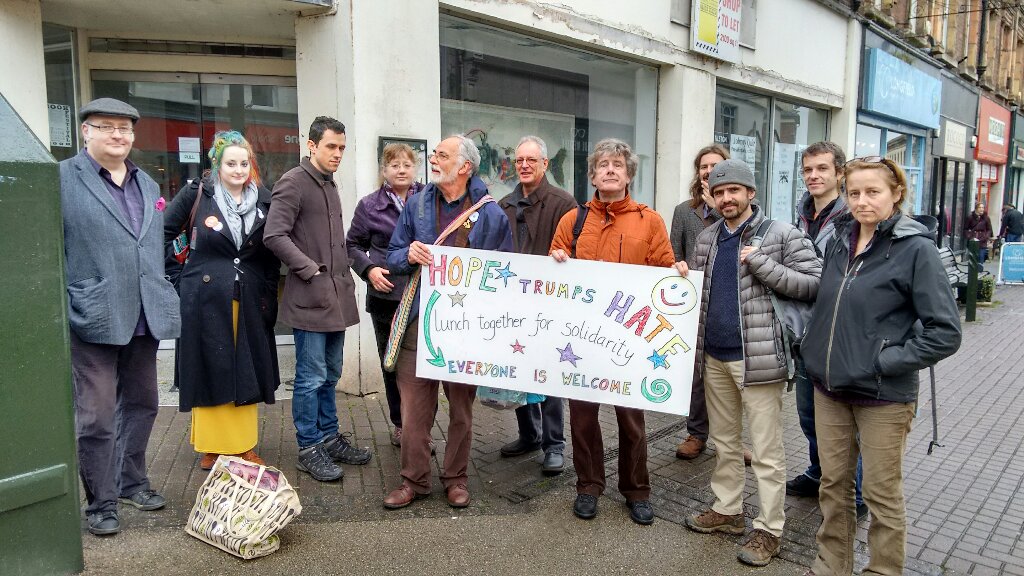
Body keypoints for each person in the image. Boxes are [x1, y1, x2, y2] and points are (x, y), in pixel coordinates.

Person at [801, 157, 961, 576]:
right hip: (830, 388)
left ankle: (882, 570)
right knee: (833, 487)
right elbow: (828, 304)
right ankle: (831, 565)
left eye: (873, 192)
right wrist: (811, 347)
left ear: (896, 194)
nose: (862, 201)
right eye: (854, 193)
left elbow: (945, 331)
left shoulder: (916, 249)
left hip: (883, 395)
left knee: (880, 493)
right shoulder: (838, 238)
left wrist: (886, 361)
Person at [679, 159, 821, 567]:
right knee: (724, 443)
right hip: (715, 357)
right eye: (720, 192)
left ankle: (769, 528)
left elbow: (814, 283)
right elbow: (698, 295)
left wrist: (761, 262)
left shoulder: (780, 234)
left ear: (751, 194)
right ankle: (726, 510)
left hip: (758, 360)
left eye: (734, 191)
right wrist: (682, 274)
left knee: (766, 450)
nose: (727, 198)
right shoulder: (706, 238)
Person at [60, 98, 181, 536]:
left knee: (145, 404)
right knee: (95, 415)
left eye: (125, 129)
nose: (117, 135)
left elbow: (149, 244)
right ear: (86, 132)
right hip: (92, 315)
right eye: (106, 127)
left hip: (143, 315)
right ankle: (101, 503)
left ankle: (132, 482)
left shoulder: (147, 183)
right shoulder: (62, 180)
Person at [382, 135, 513, 510]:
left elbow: (506, 272)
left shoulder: (490, 213)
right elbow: (392, 254)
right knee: (413, 412)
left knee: (461, 410)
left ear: (465, 166)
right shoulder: (418, 203)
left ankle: (456, 478)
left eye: (442, 155)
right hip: (418, 322)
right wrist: (407, 253)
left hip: (466, 329)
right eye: (435, 154)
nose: (434, 160)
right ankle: (413, 480)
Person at [550, 138, 675, 526]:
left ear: (629, 174)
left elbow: (663, 273)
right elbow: (553, 275)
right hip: (582, 340)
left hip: (628, 342)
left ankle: (636, 490)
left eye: (617, 165)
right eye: (602, 164)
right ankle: (588, 486)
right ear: (593, 174)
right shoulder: (574, 220)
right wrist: (555, 261)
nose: (609, 170)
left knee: (631, 418)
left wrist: (677, 276)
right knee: (583, 419)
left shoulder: (649, 220)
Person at [164, 131, 280, 471]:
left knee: (245, 367)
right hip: (204, 297)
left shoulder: (264, 201)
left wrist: (268, 288)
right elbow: (163, 233)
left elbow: (271, 251)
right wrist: (176, 278)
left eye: (244, 163)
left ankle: (243, 447)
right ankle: (212, 448)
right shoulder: (197, 194)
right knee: (210, 367)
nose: (238, 169)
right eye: (231, 163)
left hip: (248, 297)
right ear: (218, 165)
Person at [264, 116, 372, 482]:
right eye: (331, 146)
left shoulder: (328, 184)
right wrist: (309, 269)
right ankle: (308, 447)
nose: (338, 153)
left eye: (342, 147)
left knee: (331, 376)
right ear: (311, 146)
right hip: (310, 299)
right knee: (310, 379)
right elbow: (274, 235)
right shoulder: (293, 182)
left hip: (335, 300)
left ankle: (328, 437)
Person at [787, 142, 867, 521]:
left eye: (821, 169)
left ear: (839, 173)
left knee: (843, 421)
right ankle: (819, 473)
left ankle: (854, 493)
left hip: (840, 333)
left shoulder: (853, 218)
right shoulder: (802, 215)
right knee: (807, 413)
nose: (814, 176)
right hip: (807, 333)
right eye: (808, 170)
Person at [497, 136, 578, 475]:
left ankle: (554, 444)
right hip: (513, 303)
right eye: (519, 161)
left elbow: (578, 250)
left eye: (532, 160)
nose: (525, 165)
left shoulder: (564, 203)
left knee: (549, 372)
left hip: (550, 306)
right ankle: (528, 434)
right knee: (518, 367)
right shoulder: (503, 205)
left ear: (546, 164)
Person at [346, 143, 425, 448]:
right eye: (394, 165)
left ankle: (421, 427)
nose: (401, 169)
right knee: (390, 363)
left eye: (407, 164)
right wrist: (369, 271)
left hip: (422, 297)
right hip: (386, 297)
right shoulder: (369, 206)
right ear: (384, 170)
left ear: (415, 168)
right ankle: (401, 424)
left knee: (421, 366)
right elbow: (351, 245)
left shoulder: (429, 200)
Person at [671, 144, 730, 462]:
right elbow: (673, 252)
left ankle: (730, 439)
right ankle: (696, 434)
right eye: (703, 166)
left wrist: (718, 208)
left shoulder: (742, 208)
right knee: (696, 371)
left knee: (730, 373)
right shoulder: (684, 210)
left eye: (715, 165)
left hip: (728, 300)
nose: (708, 171)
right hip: (694, 302)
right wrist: (677, 266)